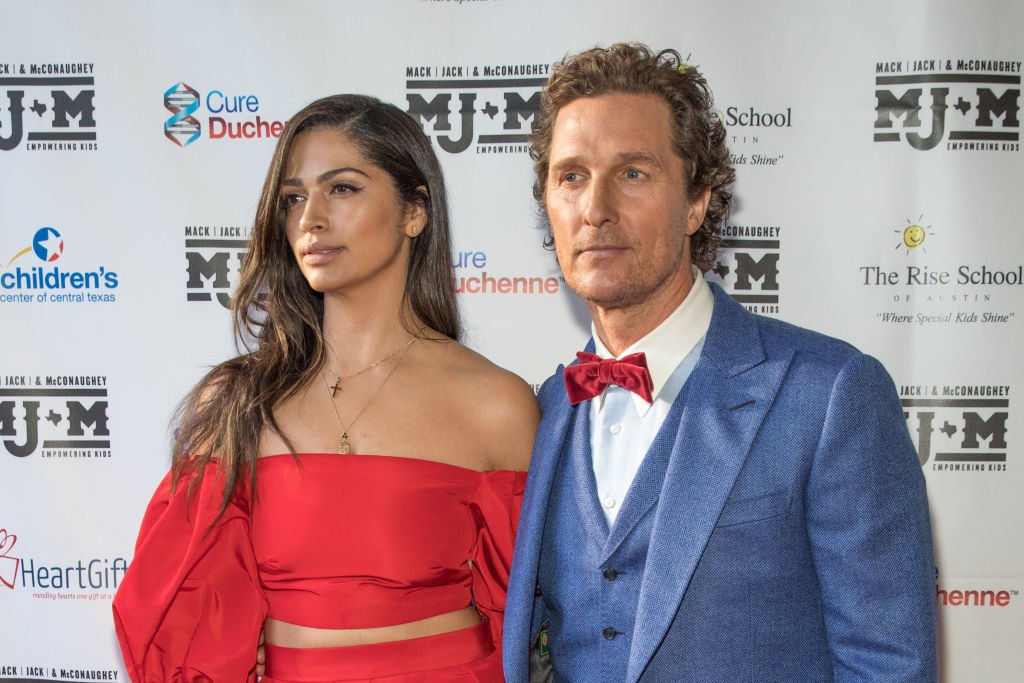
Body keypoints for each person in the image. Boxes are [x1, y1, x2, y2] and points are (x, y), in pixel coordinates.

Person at [502, 43, 937, 682]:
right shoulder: (542, 407)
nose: (594, 209)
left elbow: (891, 666)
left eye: (633, 173)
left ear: (698, 200)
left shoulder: (830, 394)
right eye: (571, 176)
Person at [112, 94, 538, 682]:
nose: (310, 218)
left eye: (342, 188)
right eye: (293, 198)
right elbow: (178, 615)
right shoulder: (235, 405)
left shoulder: (497, 405)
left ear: (416, 211)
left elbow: (535, 621)